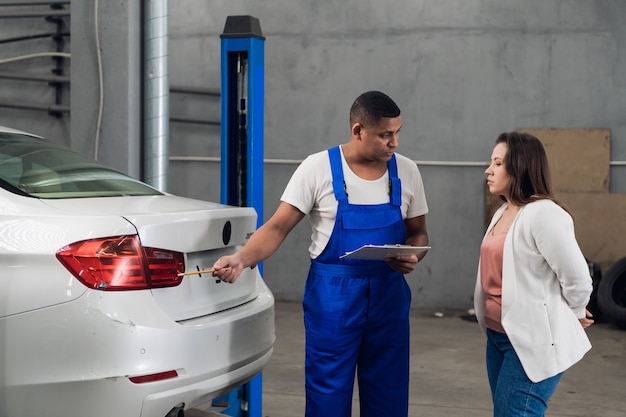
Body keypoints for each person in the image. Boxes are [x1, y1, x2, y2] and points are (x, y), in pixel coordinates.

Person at [212, 90, 429, 417]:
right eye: (385, 134)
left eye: (398, 133)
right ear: (358, 130)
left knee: (389, 390)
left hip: (389, 294)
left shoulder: (407, 171)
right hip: (333, 298)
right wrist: (242, 258)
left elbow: (418, 232)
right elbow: (277, 227)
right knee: (328, 392)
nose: (394, 142)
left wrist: (413, 256)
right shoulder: (317, 168)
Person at [474, 131, 595, 417]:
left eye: (498, 163)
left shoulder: (543, 214)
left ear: (521, 167)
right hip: (498, 335)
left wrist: (575, 312)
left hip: (533, 339)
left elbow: (577, 277)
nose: (488, 170)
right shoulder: (503, 211)